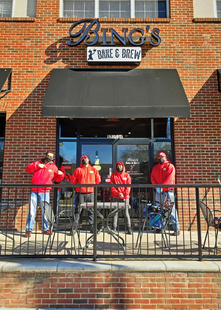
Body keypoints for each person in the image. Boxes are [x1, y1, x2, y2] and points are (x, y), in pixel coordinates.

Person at [25, 151, 65, 237]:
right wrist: (36, 166)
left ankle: (45, 228)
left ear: (53, 158)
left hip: (45, 192)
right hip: (34, 191)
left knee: (45, 211)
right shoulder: (37, 163)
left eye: (51, 156)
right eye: (48, 155)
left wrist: (61, 175)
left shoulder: (54, 167)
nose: (49, 157)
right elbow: (28, 169)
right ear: (45, 155)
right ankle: (28, 230)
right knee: (31, 211)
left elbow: (57, 179)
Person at [151, 152, 180, 236]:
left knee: (171, 210)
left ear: (165, 157)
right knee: (159, 209)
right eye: (159, 157)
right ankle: (160, 227)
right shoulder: (155, 168)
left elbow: (169, 179)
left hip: (168, 192)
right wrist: (156, 187)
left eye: (162, 157)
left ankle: (176, 228)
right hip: (158, 192)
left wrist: (162, 188)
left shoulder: (170, 166)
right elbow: (152, 177)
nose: (160, 158)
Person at [71, 155, 101, 232]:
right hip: (80, 193)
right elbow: (73, 181)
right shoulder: (78, 170)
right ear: (81, 161)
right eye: (83, 159)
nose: (84, 160)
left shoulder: (93, 169)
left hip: (91, 193)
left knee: (91, 210)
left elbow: (98, 180)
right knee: (78, 210)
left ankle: (92, 227)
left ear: (88, 159)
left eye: (86, 158)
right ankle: (75, 227)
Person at [110, 161, 132, 234]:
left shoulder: (127, 175)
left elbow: (128, 187)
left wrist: (124, 194)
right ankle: (114, 228)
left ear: (123, 166)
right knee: (115, 213)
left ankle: (129, 228)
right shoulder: (113, 176)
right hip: (116, 197)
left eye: (120, 165)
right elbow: (112, 187)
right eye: (118, 165)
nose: (119, 167)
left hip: (125, 197)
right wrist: (118, 194)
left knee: (126, 213)